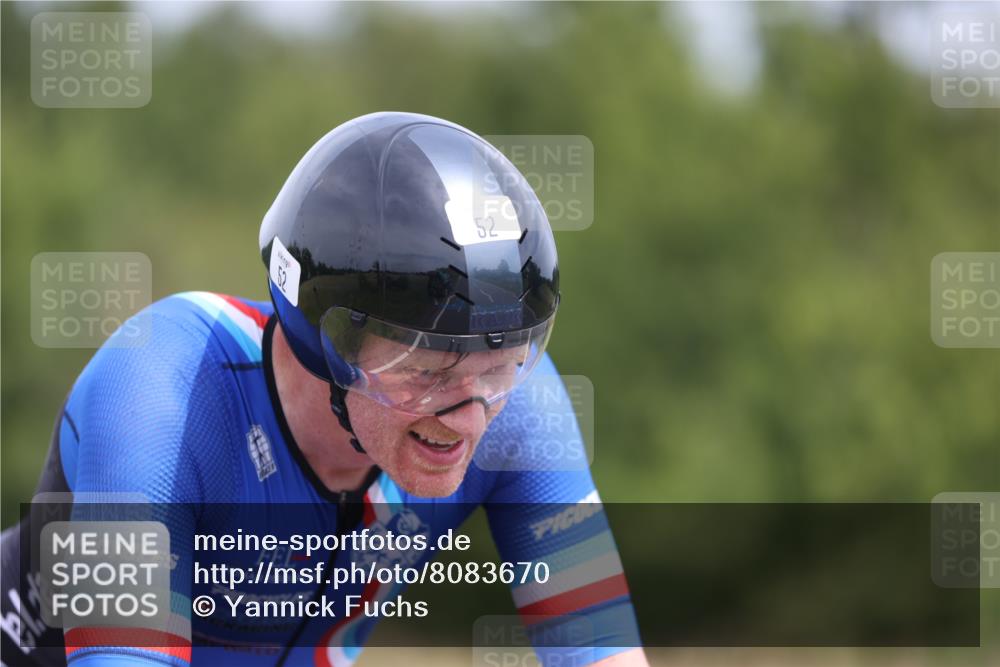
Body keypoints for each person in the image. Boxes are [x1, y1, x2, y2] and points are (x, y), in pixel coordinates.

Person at [1, 112, 646, 667]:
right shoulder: (162, 388)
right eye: (427, 371)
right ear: (323, 339)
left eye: (501, 363)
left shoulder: (522, 410)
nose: (468, 417)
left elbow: (605, 652)